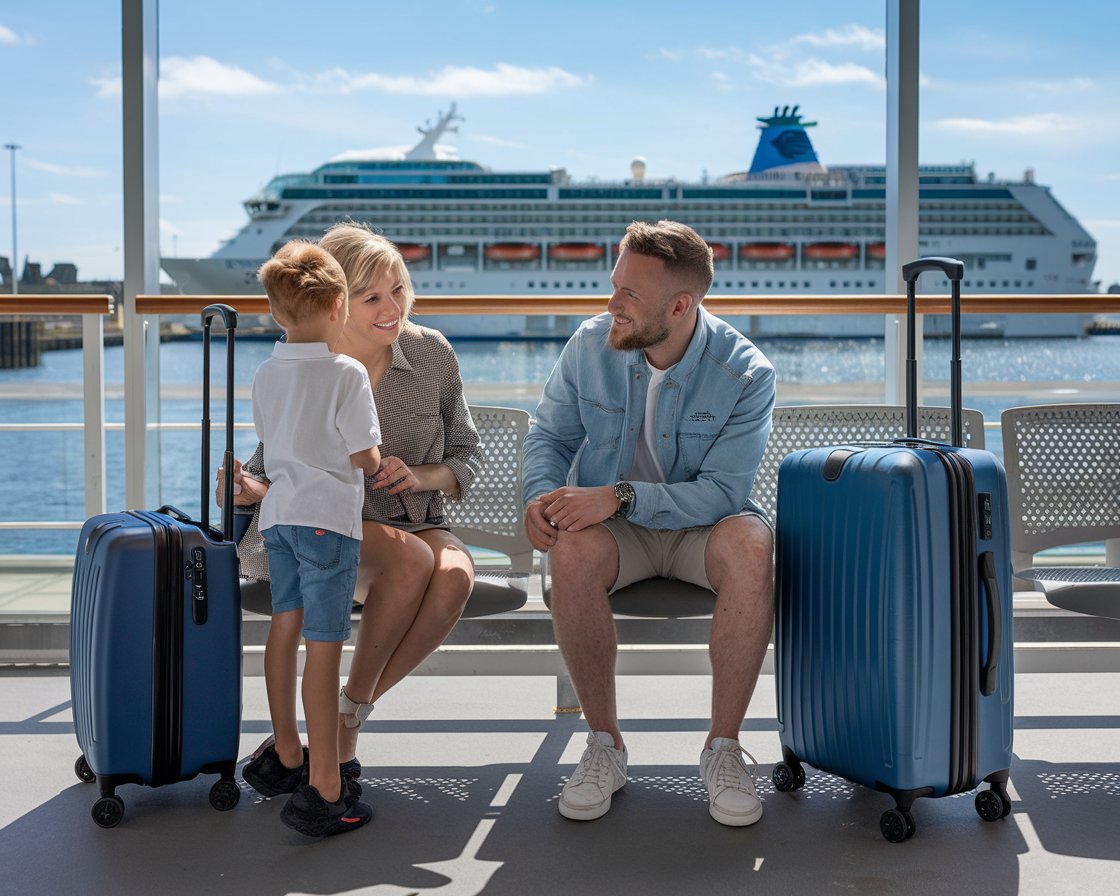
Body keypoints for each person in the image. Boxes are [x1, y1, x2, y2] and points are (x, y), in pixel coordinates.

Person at [523, 219, 776, 827]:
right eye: (614, 285)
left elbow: (722, 494)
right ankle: (604, 744)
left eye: (628, 294)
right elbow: (550, 435)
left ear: (681, 306)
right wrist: (540, 496)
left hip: (700, 529)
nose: (611, 303)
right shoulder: (589, 344)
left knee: (751, 544)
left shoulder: (747, 373)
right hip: (620, 534)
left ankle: (723, 749)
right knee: (572, 552)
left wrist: (620, 496)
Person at [225, 222, 483, 804]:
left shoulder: (431, 353)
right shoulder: (306, 362)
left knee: (455, 576)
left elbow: (467, 454)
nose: (393, 308)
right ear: (337, 301)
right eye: (372, 297)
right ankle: (332, 736)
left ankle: (347, 711)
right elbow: (272, 468)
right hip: (327, 521)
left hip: (414, 515)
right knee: (412, 561)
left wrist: (423, 475)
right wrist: (246, 486)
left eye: (399, 289)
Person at [249, 240, 382, 836]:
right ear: (338, 306)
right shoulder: (347, 373)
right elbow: (365, 456)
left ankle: (287, 751)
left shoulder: (266, 372)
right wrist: (375, 455)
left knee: (284, 630)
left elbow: (278, 446)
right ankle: (325, 788)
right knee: (324, 648)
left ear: (277, 313)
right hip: (329, 520)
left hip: (278, 515)